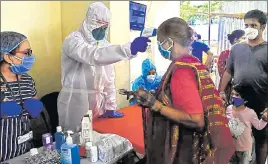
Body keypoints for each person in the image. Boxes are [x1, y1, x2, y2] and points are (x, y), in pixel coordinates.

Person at [134, 17, 234, 164]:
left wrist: (156, 105)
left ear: (168, 43)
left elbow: (195, 119)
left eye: (160, 43)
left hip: (185, 151)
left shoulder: (181, 70)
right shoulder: (193, 63)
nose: (160, 48)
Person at [57, 2, 150, 132]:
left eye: (105, 29)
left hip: (98, 104)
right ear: (89, 25)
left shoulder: (104, 45)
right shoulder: (73, 41)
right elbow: (93, 56)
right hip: (76, 103)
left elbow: (109, 79)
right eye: (98, 28)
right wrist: (128, 49)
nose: (101, 32)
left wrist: (110, 106)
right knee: (75, 139)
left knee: (98, 138)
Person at [220, 9, 268, 164]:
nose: (249, 28)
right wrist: (220, 91)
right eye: (246, 25)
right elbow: (228, 72)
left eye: (253, 25)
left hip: (262, 101)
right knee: (236, 135)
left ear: (263, 27)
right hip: (238, 101)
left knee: (262, 139)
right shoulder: (237, 49)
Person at [0, 31, 43, 161]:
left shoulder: (27, 80)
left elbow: (34, 111)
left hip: (26, 151)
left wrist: (35, 108)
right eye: (26, 53)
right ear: (8, 57)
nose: (31, 56)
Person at [226, 85, 267, 164]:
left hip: (245, 149)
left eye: (237, 95)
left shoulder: (250, 113)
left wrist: (264, 120)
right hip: (231, 148)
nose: (234, 97)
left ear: (245, 99)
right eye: (232, 94)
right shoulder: (229, 109)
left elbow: (258, 126)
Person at [217, 30, 245, 104]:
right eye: (243, 38)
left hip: (241, 87)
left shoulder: (246, 53)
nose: (246, 41)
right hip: (226, 86)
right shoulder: (224, 54)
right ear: (236, 40)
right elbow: (222, 72)